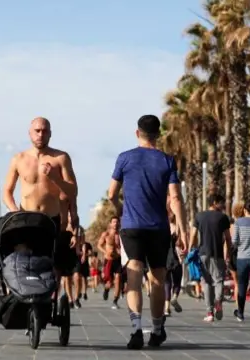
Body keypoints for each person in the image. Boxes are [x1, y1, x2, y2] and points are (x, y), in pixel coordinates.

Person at [107, 115, 188, 349]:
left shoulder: (125, 158)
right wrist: (182, 229)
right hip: (158, 228)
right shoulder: (166, 160)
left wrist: (121, 209)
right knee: (157, 279)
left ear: (137, 133)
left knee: (133, 274)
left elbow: (111, 193)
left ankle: (135, 331)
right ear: (158, 135)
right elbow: (175, 198)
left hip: (131, 226)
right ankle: (157, 330)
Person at [2, 117, 79, 313]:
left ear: (50, 133)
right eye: (37, 130)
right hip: (26, 220)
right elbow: (7, 192)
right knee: (24, 262)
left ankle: (49, 301)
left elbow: (71, 191)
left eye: (44, 131)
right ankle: (24, 298)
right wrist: (14, 211)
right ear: (30, 133)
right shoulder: (19, 159)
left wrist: (54, 177)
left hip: (51, 220)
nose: (40, 134)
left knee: (52, 265)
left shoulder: (60, 158)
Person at [189, 193, 231, 323]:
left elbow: (193, 235)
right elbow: (228, 238)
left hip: (202, 254)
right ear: (214, 203)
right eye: (221, 202)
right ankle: (218, 301)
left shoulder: (199, 216)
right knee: (218, 280)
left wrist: (191, 249)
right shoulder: (223, 218)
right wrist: (228, 254)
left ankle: (210, 312)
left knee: (206, 283)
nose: (223, 205)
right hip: (216, 254)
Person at [98, 217, 123, 309]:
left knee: (118, 278)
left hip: (118, 260)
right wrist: (105, 252)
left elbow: (124, 246)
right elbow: (99, 245)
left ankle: (115, 301)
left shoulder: (121, 234)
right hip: (108, 260)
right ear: (110, 224)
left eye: (117, 222)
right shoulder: (106, 234)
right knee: (110, 282)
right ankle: (106, 289)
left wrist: (121, 251)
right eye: (114, 222)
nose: (115, 224)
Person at [164, 211, 183, 317]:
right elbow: (181, 244)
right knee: (177, 282)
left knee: (167, 284)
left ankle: (166, 309)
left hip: (165, 260)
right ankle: (175, 296)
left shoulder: (162, 229)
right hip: (176, 259)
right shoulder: (177, 230)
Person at [229, 203, 245, 307]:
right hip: (243, 254)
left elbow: (227, 242)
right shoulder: (244, 226)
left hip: (232, 255)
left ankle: (237, 304)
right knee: (243, 281)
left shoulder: (230, 227)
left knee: (236, 283)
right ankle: (240, 305)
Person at [72, 231, 91, 307]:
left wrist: (84, 254)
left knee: (79, 278)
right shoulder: (70, 237)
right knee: (68, 279)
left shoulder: (86, 244)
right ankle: (70, 297)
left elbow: (90, 252)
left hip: (81, 262)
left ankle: (77, 297)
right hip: (70, 258)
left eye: (82, 236)